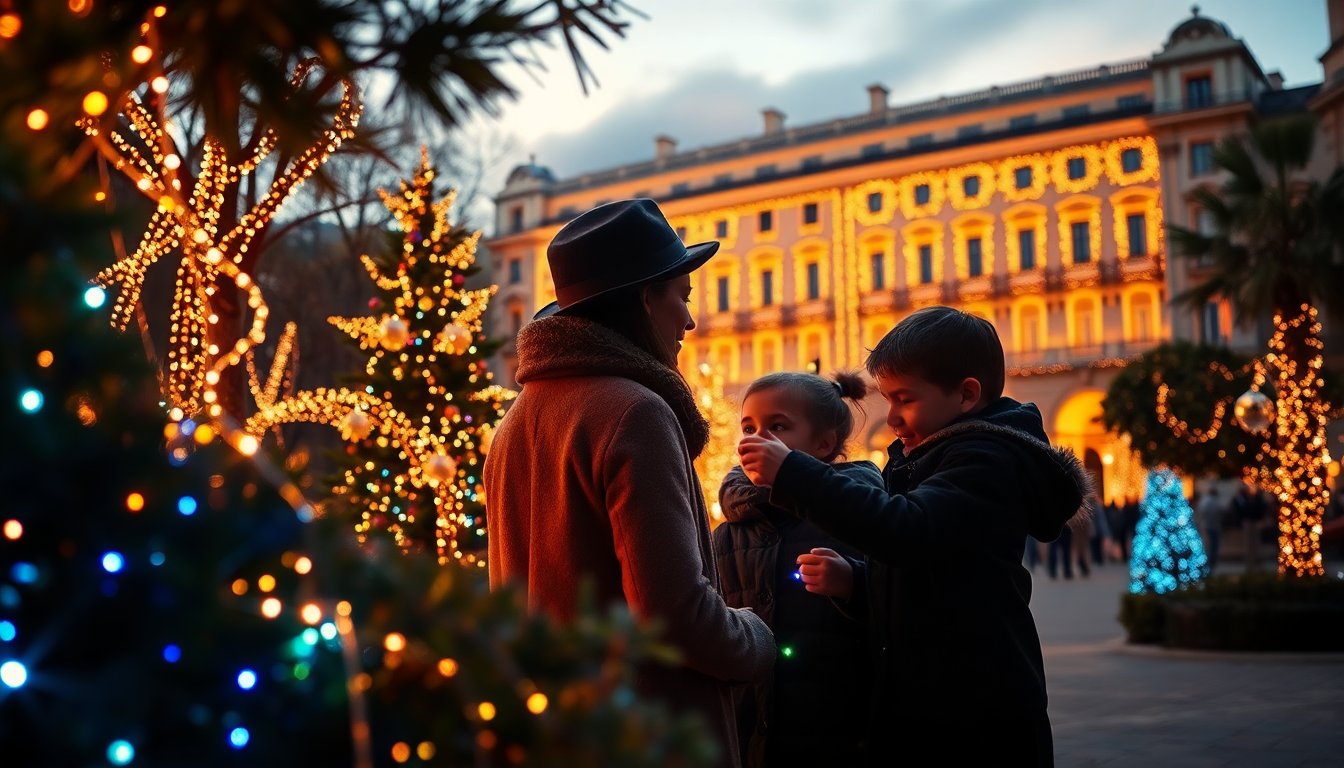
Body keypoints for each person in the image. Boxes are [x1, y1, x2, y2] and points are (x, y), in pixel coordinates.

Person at [484, 199, 775, 768]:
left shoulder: (515, 420)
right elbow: (674, 617)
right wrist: (758, 637)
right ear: (646, 298)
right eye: (682, 298)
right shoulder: (634, 412)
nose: (689, 321)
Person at [737, 306, 1091, 767]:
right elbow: (931, 575)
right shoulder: (931, 456)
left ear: (966, 395)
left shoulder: (986, 462)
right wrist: (858, 584)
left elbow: (908, 530)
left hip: (974, 711)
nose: (893, 418)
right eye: (887, 400)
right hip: (933, 702)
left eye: (905, 399)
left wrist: (794, 475)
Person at [712, 371, 882, 768]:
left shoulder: (856, 515)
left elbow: (897, 606)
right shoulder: (731, 530)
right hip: (749, 723)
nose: (757, 438)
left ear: (823, 444)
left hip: (834, 725)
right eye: (749, 427)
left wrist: (854, 584)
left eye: (778, 427)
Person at [1194, 485, 1225, 573]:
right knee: (1213, 545)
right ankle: (1212, 562)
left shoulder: (1204, 501)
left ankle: (1209, 562)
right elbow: (1221, 512)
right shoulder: (1215, 501)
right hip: (1213, 526)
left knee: (1209, 545)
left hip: (1207, 526)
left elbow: (1201, 513)